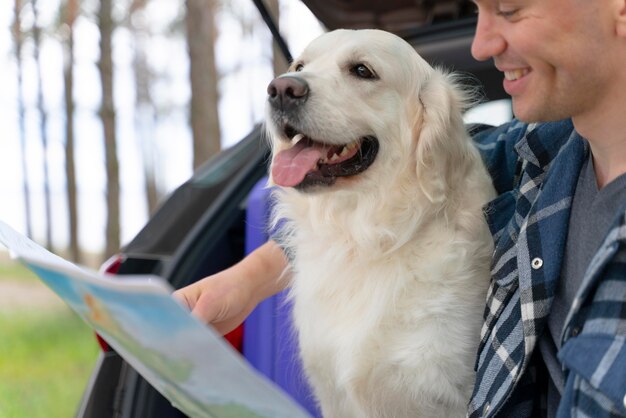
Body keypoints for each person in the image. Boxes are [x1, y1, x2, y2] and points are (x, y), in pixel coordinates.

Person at [174, 0, 626, 416]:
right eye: (299, 68)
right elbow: (459, 159)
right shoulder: (542, 155)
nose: (481, 43)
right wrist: (247, 280)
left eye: (509, 9)